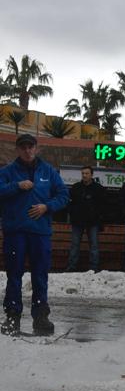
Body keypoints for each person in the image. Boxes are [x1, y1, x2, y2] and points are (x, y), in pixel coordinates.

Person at [0, 134, 69, 336]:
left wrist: (47, 206)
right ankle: (12, 316)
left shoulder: (48, 171)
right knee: (14, 275)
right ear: (17, 150)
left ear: (36, 149)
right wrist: (16, 186)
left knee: (40, 275)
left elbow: (63, 195)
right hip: (16, 232)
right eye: (23, 147)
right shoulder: (8, 172)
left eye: (31, 147)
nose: (27, 151)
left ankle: (41, 317)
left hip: (40, 233)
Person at [66, 165, 105, 272]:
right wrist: (72, 214)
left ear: (92, 175)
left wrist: (98, 218)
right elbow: (70, 203)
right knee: (75, 245)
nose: (84, 175)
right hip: (77, 221)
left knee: (94, 245)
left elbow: (103, 205)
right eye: (83, 173)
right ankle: (72, 266)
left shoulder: (98, 188)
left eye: (87, 173)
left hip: (93, 222)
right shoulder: (75, 187)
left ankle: (94, 267)